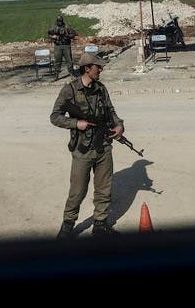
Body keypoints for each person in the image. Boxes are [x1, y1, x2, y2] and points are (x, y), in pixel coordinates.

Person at [50, 52, 124, 238]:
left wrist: (119, 126)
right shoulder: (70, 90)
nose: (101, 70)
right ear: (87, 68)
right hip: (82, 149)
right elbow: (55, 116)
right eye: (98, 67)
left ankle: (100, 224)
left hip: (103, 146)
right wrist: (76, 123)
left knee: (104, 188)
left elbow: (111, 111)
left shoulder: (101, 89)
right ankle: (67, 225)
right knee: (77, 191)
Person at [47, 15, 77, 80]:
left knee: (69, 60)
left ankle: (72, 74)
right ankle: (56, 75)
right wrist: (53, 37)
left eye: (60, 21)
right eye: (58, 21)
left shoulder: (66, 26)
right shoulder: (54, 27)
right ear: (57, 21)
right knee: (57, 61)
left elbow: (73, 34)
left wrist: (67, 36)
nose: (59, 22)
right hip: (58, 46)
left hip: (66, 45)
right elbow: (49, 34)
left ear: (62, 21)